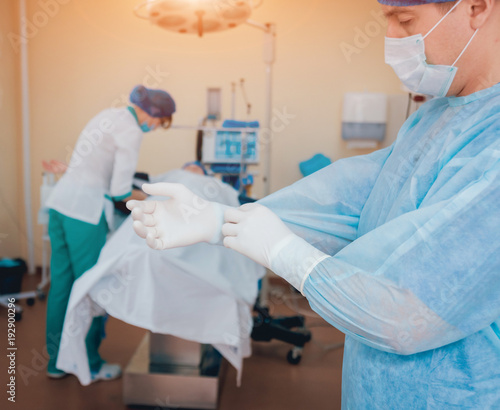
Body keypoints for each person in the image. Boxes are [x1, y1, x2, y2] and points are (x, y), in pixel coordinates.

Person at [127, 0, 500, 407]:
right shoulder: (432, 120)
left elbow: (407, 314)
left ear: (477, 8)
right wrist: (220, 219)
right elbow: (347, 200)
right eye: (386, 19)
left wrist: (289, 256)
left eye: (405, 19)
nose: (391, 37)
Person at [44, 85, 176, 381]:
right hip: (84, 215)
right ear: (153, 113)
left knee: (63, 287)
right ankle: (89, 362)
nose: (155, 127)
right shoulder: (131, 130)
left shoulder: (109, 114)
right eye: (159, 121)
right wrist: (152, 198)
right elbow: (119, 192)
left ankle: (56, 363)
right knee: (92, 287)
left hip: (60, 205)